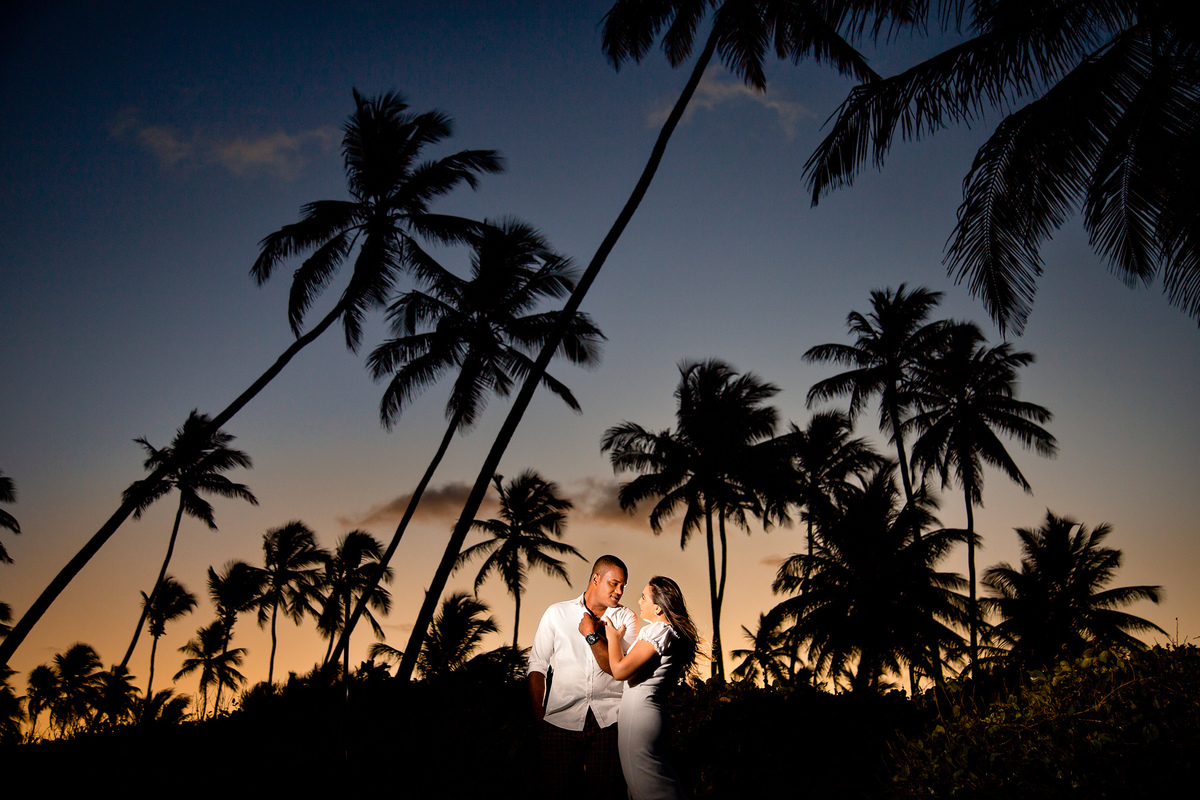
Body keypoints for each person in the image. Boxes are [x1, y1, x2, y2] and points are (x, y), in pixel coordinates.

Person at [528, 554, 640, 799]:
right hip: (560, 720)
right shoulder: (556, 613)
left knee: (605, 794)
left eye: (623, 586)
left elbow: (619, 669)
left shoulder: (626, 619)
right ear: (595, 579)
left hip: (610, 721)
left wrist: (591, 635)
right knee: (556, 793)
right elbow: (537, 664)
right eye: (614, 583)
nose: (620, 591)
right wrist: (539, 712)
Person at [604, 575, 698, 800]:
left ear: (657, 609)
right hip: (644, 715)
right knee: (643, 785)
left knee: (649, 787)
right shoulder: (668, 633)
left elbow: (619, 671)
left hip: (640, 717)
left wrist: (612, 638)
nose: (639, 601)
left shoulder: (658, 631)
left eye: (643, 597)